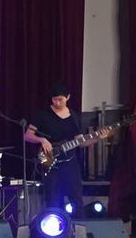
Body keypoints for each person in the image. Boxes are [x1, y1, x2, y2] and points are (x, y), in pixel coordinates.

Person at [25, 83, 93, 214]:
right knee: (53, 199)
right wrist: (42, 140)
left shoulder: (74, 116)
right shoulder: (42, 114)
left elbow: (81, 141)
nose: (57, 103)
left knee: (76, 198)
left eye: (60, 99)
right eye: (54, 99)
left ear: (68, 97)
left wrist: (97, 137)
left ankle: (79, 225)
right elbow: (27, 135)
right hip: (50, 159)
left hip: (70, 161)